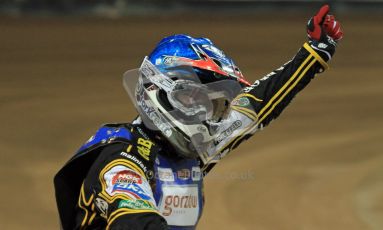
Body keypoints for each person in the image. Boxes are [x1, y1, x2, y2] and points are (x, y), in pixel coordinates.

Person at [54, 5, 343, 230]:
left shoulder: (191, 152)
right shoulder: (122, 159)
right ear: (160, 89)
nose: (203, 115)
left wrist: (313, 54)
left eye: (211, 105)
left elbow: (255, 109)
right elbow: (136, 223)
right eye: (192, 99)